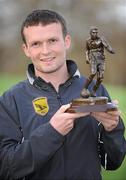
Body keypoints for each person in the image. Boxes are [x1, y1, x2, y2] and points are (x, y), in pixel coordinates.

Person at [0, 9, 125, 180]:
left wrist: (113, 129)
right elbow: (6, 168)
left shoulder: (95, 90)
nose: (45, 51)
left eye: (52, 40)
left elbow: (112, 163)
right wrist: (52, 132)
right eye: (36, 43)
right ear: (26, 49)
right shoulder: (10, 100)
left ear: (67, 41)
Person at [81, 26, 115, 98]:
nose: (95, 34)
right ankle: (85, 88)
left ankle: (93, 91)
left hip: (101, 59)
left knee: (100, 78)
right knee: (93, 73)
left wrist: (111, 50)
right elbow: (87, 50)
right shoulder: (88, 40)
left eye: (96, 33)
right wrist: (87, 58)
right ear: (90, 33)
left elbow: (107, 46)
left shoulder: (101, 39)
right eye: (93, 32)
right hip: (93, 58)